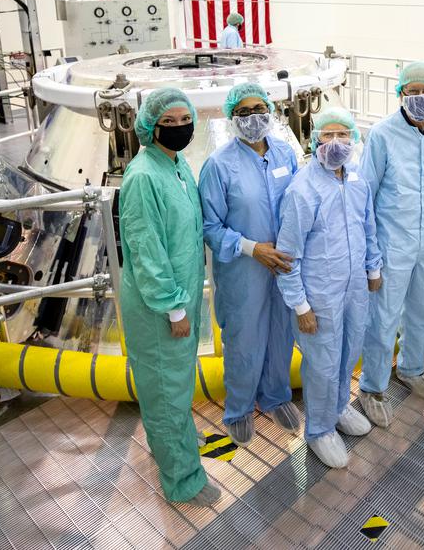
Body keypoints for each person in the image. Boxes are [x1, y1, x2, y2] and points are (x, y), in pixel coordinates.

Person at [119, 87, 218, 506]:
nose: (179, 128)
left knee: (174, 386)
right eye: (169, 122)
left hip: (180, 298)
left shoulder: (176, 166)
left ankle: (177, 442)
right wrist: (174, 306)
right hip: (159, 305)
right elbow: (147, 251)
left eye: (184, 120)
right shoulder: (143, 176)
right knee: (164, 391)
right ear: (150, 126)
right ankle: (182, 480)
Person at [276, 107, 382, 468]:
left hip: (354, 289)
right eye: (327, 135)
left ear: (353, 139)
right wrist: (300, 305)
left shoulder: (357, 180)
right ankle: (319, 430)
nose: (336, 143)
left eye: (343, 135)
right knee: (321, 364)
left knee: (349, 351)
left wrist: (373, 268)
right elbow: (287, 256)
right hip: (319, 293)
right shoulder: (302, 190)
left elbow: (368, 229)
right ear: (314, 139)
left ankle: (338, 409)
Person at [199, 83, 302, 446]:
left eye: (259, 109)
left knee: (280, 332)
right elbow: (210, 227)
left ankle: (275, 396)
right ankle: (239, 408)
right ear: (232, 118)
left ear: (271, 111)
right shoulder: (218, 165)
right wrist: (251, 248)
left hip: (284, 266)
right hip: (244, 269)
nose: (253, 118)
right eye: (243, 112)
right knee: (244, 339)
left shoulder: (285, 154)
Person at [357, 60, 424, 427]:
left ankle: (412, 368)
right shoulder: (382, 135)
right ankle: (372, 387)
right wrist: (370, 255)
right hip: (391, 243)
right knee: (383, 317)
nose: (420, 98)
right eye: (412, 92)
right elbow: (365, 196)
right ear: (400, 94)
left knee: (423, 309)